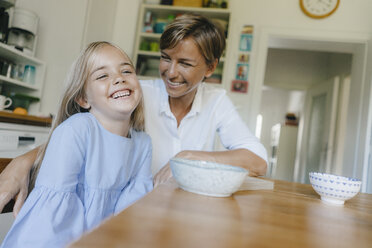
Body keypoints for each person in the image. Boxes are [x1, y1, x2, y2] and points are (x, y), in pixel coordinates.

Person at [0, 14, 267, 216]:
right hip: (136, 212)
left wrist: (190, 157)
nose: (171, 72)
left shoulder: (217, 101)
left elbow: (258, 162)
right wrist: (22, 161)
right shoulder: (137, 94)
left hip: (186, 212)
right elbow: (83, 133)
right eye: (166, 58)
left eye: (185, 63)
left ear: (210, 67)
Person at [1, 41, 153, 247]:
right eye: (102, 75)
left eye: (126, 71)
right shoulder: (77, 130)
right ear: (83, 99)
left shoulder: (143, 144)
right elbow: (51, 222)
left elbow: (132, 213)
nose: (119, 78)